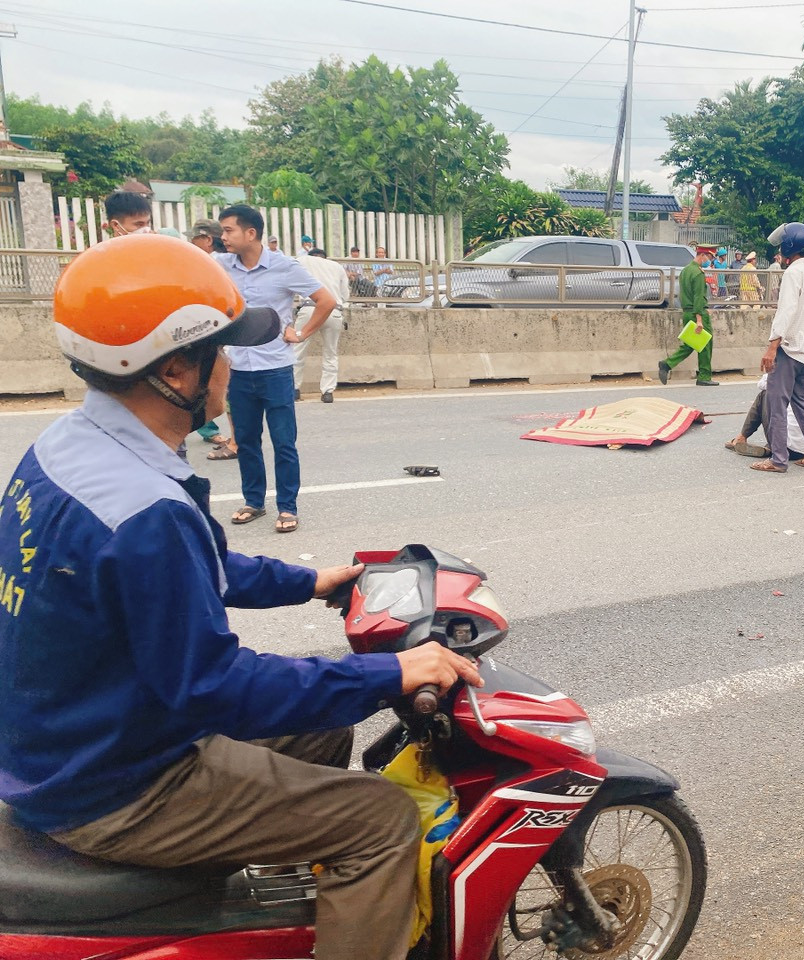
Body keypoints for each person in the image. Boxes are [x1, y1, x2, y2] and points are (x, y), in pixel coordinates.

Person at [0, 234, 482, 960]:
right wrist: (392, 673)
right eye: (222, 349)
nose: (233, 365)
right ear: (174, 369)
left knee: (320, 733)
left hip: (64, 737)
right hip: (115, 782)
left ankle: (278, 925)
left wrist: (307, 582)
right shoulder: (145, 510)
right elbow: (213, 687)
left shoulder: (68, 449)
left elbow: (185, 573)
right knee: (380, 822)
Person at [216, 204, 338, 534]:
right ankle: (254, 502)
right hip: (238, 370)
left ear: (250, 233)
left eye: (229, 230)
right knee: (246, 440)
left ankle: (288, 507)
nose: (223, 237)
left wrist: (301, 333)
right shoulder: (221, 265)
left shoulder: (284, 267)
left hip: (275, 370)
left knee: (284, 442)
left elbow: (326, 301)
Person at [753, 221, 804, 474]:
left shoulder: (793, 274)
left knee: (776, 406)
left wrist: (772, 347)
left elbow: (786, 312)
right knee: (801, 404)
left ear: (788, 246)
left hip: (789, 350)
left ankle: (778, 459)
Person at [188, 218, 238, 460]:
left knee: (226, 390)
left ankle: (236, 441)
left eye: (193, 239)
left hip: (219, 336)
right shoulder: (224, 263)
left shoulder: (214, 265)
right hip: (220, 334)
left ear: (207, 239)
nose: (190, 244)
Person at [725, 372, 804, 465]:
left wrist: (779, 374)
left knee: (764, 395)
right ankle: (772, 449)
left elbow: (762, 384)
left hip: (782, 445)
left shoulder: (787, 379)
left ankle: (743, 438)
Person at [294, 248, 350, 404]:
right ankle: (327, 392)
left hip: (309, 308)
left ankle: (294, 389)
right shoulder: (337, 267)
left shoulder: (303, 260)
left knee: (298, 349)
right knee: (330, 353)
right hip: (334, 310)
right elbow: (345, 295)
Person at [658, 248, 717, 386]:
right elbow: (697, 296)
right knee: (706, 345)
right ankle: (704, 376)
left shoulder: (685, 270)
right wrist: (700, 319)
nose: (710, 260)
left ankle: (667, 364)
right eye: (709, 257)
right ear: (702, 255)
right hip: (697, 313)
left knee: (690, 344)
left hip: (687, 312)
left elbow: (687, 293)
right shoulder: (698, 273)